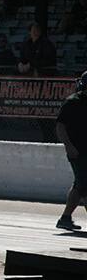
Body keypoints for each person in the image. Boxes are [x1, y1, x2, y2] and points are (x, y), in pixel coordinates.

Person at [55, 71, 87, 231]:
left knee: (80, 185)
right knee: (83, 183)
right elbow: (60, 127)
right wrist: (68, 145)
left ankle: (65, 218)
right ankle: (65, 218)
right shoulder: (72, 102)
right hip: (77, 150)